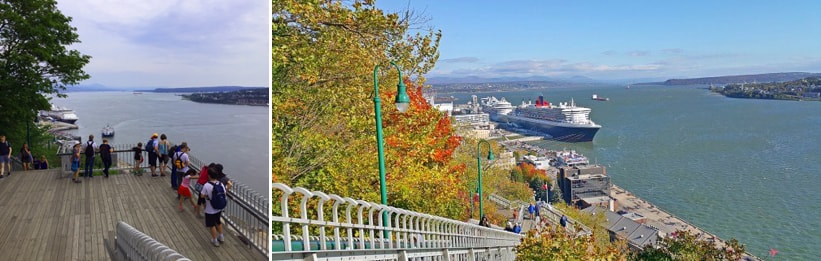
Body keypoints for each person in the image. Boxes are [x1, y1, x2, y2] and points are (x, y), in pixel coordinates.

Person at [201, 166, 226, 247]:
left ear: (209, 176)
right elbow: (224, 193)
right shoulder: (220, 184)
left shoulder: (206, 185)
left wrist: (208, 196)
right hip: (218, 208)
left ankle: (215, 240)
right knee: (218, 222)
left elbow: (202, 196)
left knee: (211, 225)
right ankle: (221, 236)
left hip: (210, 209)